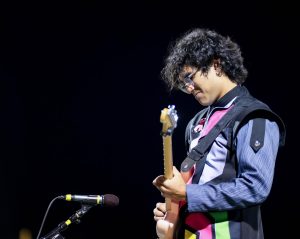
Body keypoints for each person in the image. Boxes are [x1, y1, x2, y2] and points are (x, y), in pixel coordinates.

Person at [152, 28, 286, 239]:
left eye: (190, 77)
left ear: (216, 64)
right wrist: (174, 209)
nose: (189, 88)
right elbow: (196, 187)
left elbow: (255, 187)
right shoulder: (196, 123)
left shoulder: (254, 115)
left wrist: (187, 193)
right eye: (184, 84)